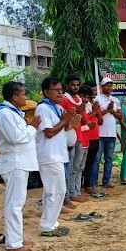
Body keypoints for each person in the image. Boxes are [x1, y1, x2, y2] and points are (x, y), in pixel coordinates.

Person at [0, 81, 41, 251]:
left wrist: (28, 127)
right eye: (24, 94)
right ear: (15, 97)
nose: (26, 97)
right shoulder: (4, 114)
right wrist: (32, 128)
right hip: (15, 163)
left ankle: (16, 239)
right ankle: (13, 244)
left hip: (20, 162)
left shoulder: (12, 113)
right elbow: (15, 137)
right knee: (14, 204)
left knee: (18, 203)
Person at [35, 77, 77, 237]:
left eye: (61, 90)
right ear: (46, 92)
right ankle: (47, 225)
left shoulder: (57, 107)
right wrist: (65, 121)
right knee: (57, 191)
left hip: (57, 153)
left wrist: (71, 120)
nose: (60, 93)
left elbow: (65, 126)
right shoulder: (43, 109)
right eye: (56, 90)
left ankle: (51, 222)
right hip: (49, 154)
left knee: (51, 191)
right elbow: (49, 132)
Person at [59, 74, 86, 206]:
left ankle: (74, 192)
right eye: (73, 85)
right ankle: (67, 196)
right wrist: (76, 111)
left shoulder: (78, 99)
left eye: (77, 85)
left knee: (76, 167)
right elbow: (63, 119)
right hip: (69, 138)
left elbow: (83, 119)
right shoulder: (64, 99)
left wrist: (80, 111)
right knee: (69, 169)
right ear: (67, 86)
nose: (75, 87)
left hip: (79, 136)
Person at [92, 77, 122, 189]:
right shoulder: (97, 99)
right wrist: (107, 110)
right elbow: (95, 115)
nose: (109, 87)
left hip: (111, 135)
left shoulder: (115, 100)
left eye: (110, 85)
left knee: (109, 159)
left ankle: (106, 181)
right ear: (102, 87)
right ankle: (93, 183)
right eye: (106, 85)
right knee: (97, 159)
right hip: (99, 135)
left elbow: (120, 116)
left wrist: (113, 111)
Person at [82, 80, 104, 198]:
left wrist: (97, 112)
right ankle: (83, 186)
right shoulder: (84, 105)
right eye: (93, 90)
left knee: (91, 162)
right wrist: (94, 112)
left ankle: (88, 185)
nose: (95, 92)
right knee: (83, 163)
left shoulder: (95, 103)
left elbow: (100, 121)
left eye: (96, 90)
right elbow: (84, 119)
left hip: (95, 136)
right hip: (86, 136)